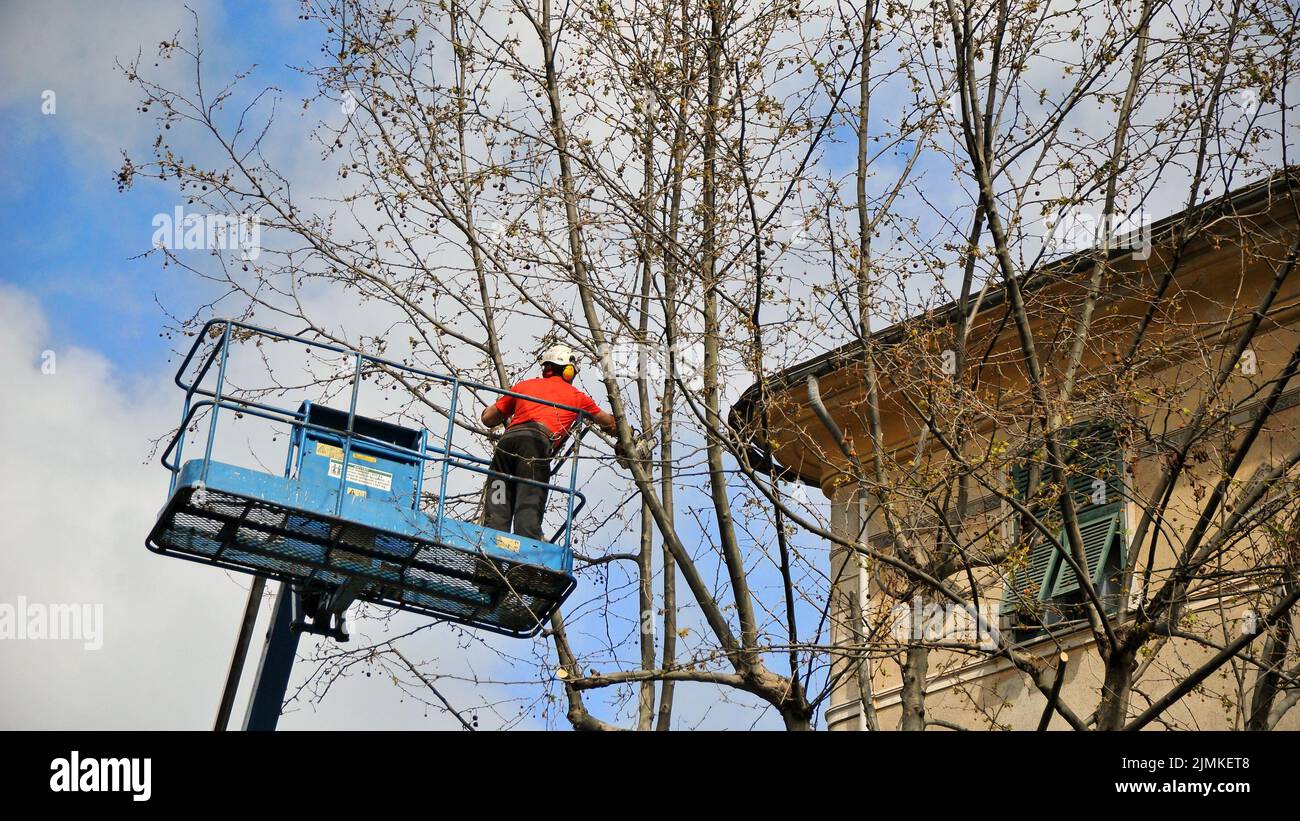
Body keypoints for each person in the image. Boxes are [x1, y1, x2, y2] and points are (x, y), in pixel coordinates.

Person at [480, 344, 619, 541]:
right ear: (568, 370)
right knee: (528, 502)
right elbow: (608, 422)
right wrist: (624, 430)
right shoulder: (577, 397)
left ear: (547, 368)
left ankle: (488, 557)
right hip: (534, 446)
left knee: (498, 499)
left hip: (506, 445)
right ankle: (523, 566)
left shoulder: (524, 386)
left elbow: (488, 418)